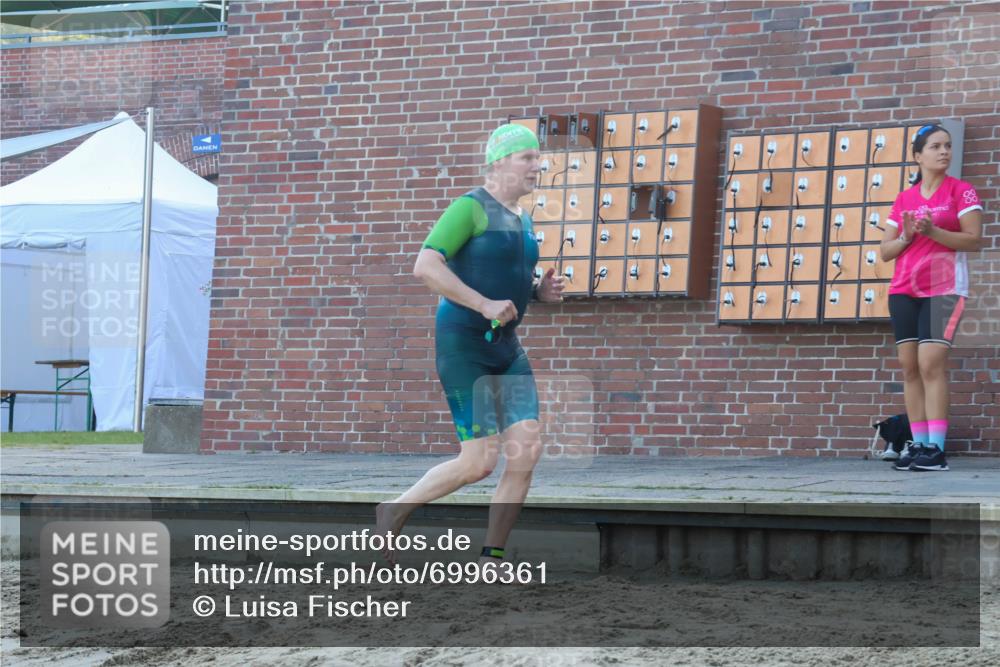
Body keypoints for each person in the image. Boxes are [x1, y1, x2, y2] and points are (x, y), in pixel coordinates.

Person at [376, 123, 565, 564]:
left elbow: (506, 279)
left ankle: (492, 556)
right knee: (478, 463)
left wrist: (539, 293)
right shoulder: (470, 208)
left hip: (507, 349)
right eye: (528, 157)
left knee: (526, 451)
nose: (538, 165)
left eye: (538, 157)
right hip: (464, 345)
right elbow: (425, 266)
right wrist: (482, 304)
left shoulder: (523, 217)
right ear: (499, 162)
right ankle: (393, 510)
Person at [879, 124, 984, 471]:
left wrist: (934, 231)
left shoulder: (962, 191)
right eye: (936, 146)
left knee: (930, 364)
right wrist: (908, 236)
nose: (944, 152)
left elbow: (973, 239)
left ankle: (936, 450)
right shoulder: (904, 199)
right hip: (903, 290)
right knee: (910, 368)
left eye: (948, 146)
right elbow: (886, 251)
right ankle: (918, 445)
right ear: (918, 155)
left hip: (945, 289)